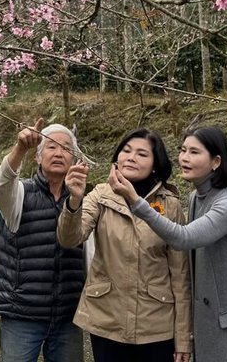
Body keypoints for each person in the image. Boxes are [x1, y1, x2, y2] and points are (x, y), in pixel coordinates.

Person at [109, 126, 227, 362]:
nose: (184, 158)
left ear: (215, 162)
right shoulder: (196, 198)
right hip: (211, 322)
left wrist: (135, 201)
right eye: (182, 150)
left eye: (194, 152)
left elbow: (183, 238)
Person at [58, 127, 192, 362]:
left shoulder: (170, 205)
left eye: (141, 154)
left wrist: (183, 338)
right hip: (107, 319)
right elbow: (70, 238)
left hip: (157, 324)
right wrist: (75, 200)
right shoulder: (100, 195)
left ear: (155, 164)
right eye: (126, 150)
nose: (131, 157)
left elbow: (180, 276)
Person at [0, 119, 85, 362]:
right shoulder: (20, 193)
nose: (58, 153)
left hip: (68, 315)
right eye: (50, 146)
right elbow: (0, 185)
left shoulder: (85, 199)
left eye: (65, 148)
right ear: (37, 156)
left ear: (74, 159)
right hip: (22, 314)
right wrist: (20, 148)